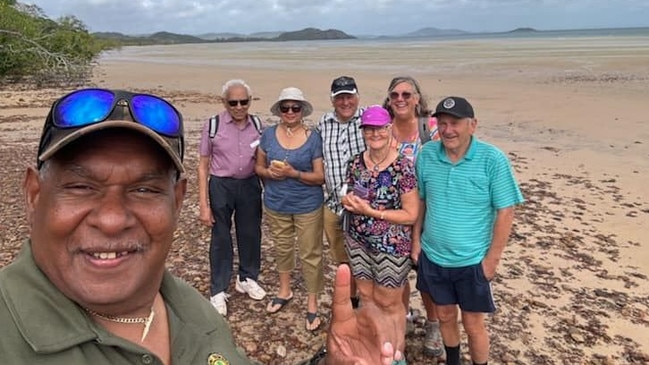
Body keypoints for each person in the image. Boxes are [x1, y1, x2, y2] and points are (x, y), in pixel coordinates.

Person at [0, 87, 406, 365]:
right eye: (81, 187)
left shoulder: (188, 307)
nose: (111, 218)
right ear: (34, 194)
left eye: (143, 189)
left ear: (176, 201)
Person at [414, 96, 525, 365]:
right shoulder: (427, 155)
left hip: (472, 260)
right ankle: (453, 360)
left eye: (455, 123)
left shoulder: (492, 159)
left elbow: (506, 211)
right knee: (445, 315)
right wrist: (415, 241)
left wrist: (491, 261)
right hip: (433, 256)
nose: (448, 130)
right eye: (442, 124)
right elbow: (422, 201)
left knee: (474, 324)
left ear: (472, 125)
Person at [341, 105, 419, 361]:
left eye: (380, 128)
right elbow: (352, 194)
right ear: (363, 131)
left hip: (392, 246)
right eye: (369, 129)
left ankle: (396, 353)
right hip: (357, 240)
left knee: (390, 303)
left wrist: (373, 212)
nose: (375, 133)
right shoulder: (355, 162)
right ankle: (375, 346)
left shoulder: (403, 168)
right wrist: (349, 202)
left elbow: (411, 214)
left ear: (389, 129)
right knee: (366, 297)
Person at [254, 87, 326, 332]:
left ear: (303, 110)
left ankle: (312, 302)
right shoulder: (268, 134)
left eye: (295, 107)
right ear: (280, 111)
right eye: (286, 108)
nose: (290, 112)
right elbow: (258, 168)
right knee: (283, 248)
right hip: (276, 203)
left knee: (310, 253)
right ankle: (284, 290)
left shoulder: (313, 136)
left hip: (308, 205)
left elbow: (320, 177)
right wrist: (269, 173)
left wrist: (292, 173)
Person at [383, 75, 444, 358]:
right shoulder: (384, 128)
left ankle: (434, 324)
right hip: (393, 213)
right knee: (397, 273)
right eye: (395, 95)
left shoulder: (430, 128)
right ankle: (404, 315)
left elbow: (450, 160)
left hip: (428, 214)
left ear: (418, 99)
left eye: (407, 95)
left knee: (428, 276)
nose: (400, 100)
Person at [198, 79, 266, 317]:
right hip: (221, 185)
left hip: (249, 184)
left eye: (243, 101)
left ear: (250, 101)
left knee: (251, 233)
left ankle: (247, 277)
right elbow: (203, 165)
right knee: (220, 237)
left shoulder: (258, 124)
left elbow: (262, 160)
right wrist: (203, 204)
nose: (239, 107)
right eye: (233, 102)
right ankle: (218, 289)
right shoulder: (213, 125)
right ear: (224, 102)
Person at [316, 75, 366, 307]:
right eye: (340, 98)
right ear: (332, 99)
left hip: (364, 206)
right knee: (341, 257)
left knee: (365, 257)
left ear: (357, 96)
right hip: (333, 204)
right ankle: (351, 298)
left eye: (349, 96)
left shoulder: (370, 120)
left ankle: (365, 298)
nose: (345, 102)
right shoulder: (323, 124)